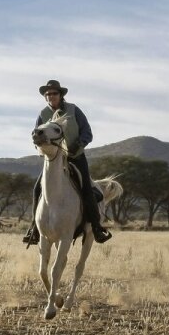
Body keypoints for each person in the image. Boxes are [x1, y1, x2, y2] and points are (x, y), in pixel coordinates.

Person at [23, 79, 112, 246]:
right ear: (45, 97)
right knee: (37, 189)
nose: (51, 96)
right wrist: (41, 151)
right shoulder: (43, 114)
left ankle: (96, 227)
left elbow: (87, 132)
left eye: (54, 93)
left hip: (76, 157)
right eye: (47, 94)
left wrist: (78, 144)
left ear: (60, 95)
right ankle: (34, 228)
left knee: (86, 188)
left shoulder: (73, 110)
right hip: (54, 160)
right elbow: (35, 137)